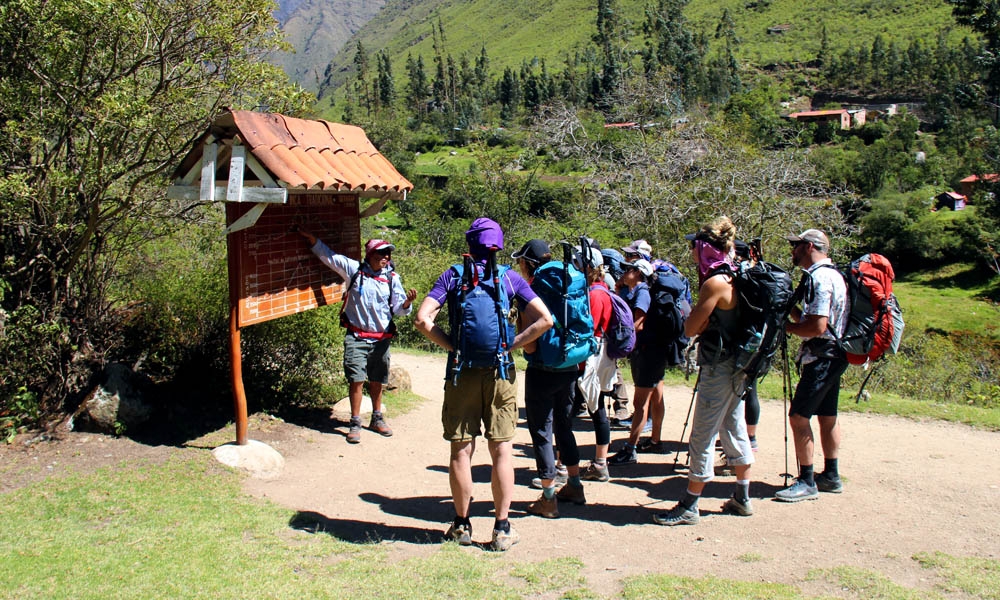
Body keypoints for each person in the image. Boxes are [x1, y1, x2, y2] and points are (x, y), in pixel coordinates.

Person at [413, 218, 553, 551]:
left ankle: (461, 525)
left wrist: (453, 346)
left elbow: (421, 320)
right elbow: (546, 320)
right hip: (500, 372)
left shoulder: (452, 275)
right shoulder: (510, 277)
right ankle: (502, 529)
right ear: (498, 245)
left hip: (461, 372)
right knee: (501, 451)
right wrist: (512, 344)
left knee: (461, 451)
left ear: (470, 243)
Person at [654, 216, 755, 526]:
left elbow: (690, 327)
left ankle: (690, 504)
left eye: (694, 247)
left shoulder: (715, 283)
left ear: (704, 248)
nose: (692, 252)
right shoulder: (740, 274)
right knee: (733, 426)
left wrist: (696, 320)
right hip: (741, 364)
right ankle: (742, 495)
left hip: (719, 366)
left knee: (703, 433)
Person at [299, 230, 417, 444]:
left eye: (387, 254)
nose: (385, 258)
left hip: (381, 338)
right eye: (381, 253)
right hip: (356, 336)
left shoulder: (392, 279)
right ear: (370, 255)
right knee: (356, 379)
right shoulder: (355, 271)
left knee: (378, 380)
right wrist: (314, 241)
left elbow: (399, 310)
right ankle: (354, 421)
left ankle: (377, 418)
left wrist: (407, 304)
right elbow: (331, 257)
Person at [514, 239, 588, 519]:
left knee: (542, 432)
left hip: (542, 370)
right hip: (569, 364)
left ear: (528, 263)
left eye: (521, 261)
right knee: (564, 426)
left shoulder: (532, 290)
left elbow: (531, 346)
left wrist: (517, 341)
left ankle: (548, 498)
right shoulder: (569, 279)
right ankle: (574, 485)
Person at [776, 228, 848, 502]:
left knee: (798, 417)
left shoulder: (819, 279)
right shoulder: (834, 275)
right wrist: (791, 310)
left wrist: (789, 328)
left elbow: (817, 326)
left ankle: (806, 481)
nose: (792, 251)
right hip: (836, 354)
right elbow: (817, 318)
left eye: (796, 246)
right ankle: (831, 474)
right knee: (827, 416)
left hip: (821, 356)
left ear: (809, 247)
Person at [607, 258, 657, 465]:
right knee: (647, 399)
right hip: (645, 351)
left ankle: (630, 449)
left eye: (628, 269)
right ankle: (649, 441)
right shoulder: (632, 290)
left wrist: (622, 339)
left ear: (638, 272)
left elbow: (638, 323)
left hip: (645, 351)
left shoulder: (642, 292)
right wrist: (618, 286)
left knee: (640, 403)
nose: (624, 272)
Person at [575, 244, 616, 483]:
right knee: (597, 407)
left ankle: (562, 466)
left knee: (573, 407)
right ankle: (600, 463)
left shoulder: (595, 294)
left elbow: (588, 326)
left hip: (589, 357)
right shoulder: (604, 289)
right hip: (601, 355)